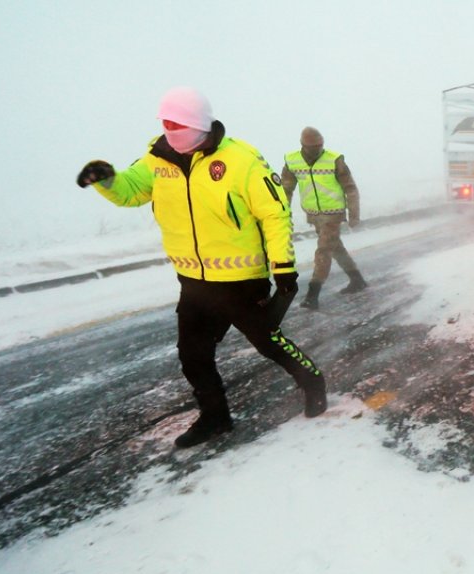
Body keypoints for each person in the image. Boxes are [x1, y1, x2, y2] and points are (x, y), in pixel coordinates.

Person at [76, 87, 328, 448]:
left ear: (198, 124)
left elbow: (274, 213)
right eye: (165, 123)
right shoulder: (156, 157)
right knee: (193, 356)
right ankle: (215, 418)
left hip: (242, 280)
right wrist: (108, 179)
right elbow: (131, 191)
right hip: (193, 280)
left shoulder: (241, 160)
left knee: (269, 343)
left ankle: (313, 382)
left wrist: (283, 267)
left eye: (177, 123)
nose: (169, 129)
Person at [280, 127, 366, 310]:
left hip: (333, 213)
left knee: (324, 250)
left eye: (319, 146)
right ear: (303, 145)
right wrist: (281, 213)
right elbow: (286, 189)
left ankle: (313, 294)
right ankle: (357, 279)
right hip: (314, 214)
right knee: (335, 248)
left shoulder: (335, 160)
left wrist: (354, 215)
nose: (317, 150)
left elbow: (350, 188)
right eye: (312, 147)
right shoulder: (292, 161)